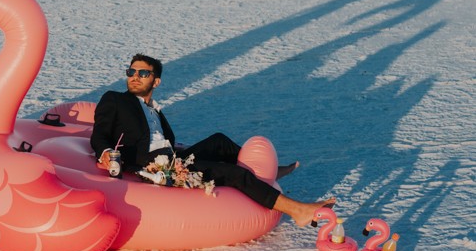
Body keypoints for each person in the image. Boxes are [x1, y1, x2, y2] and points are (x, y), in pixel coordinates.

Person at [91, 53, 333, 226]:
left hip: (172, 157)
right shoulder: (115, 99)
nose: (135, 76)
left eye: (143, 73)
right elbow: (100, 132)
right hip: (152, 164)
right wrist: (105, 152)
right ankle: (298, 210)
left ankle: (267, 172)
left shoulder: (155, 109)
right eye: (131, 72)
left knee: (219, 141)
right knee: (231, 172)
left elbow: (164, 139)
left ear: (156, 81)